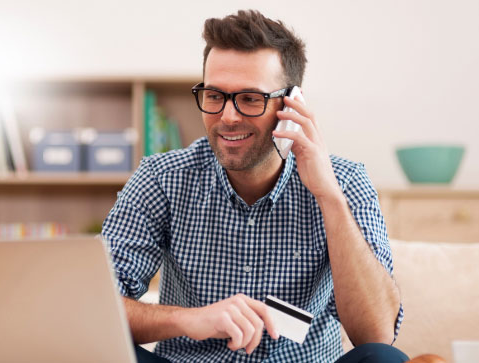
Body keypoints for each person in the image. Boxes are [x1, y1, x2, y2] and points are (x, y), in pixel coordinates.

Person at [102, 9, 406, 363]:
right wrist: (188, 319)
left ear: (291, 104)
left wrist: (329, 197)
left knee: (383, 360)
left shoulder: (345, 182)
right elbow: (95, 306)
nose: (228, 117)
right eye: (215, 96)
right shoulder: (162, 178)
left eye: (250, 99)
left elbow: (377, 334)